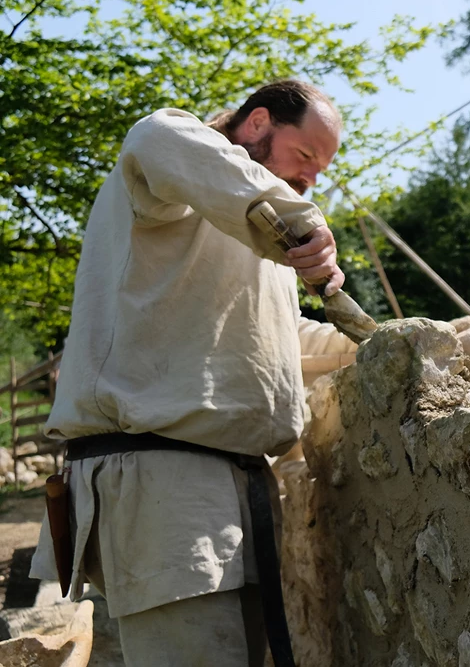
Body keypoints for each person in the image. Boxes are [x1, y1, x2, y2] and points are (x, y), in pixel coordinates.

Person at [30, 80, 359, 666]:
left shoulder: (258, 242)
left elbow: (281, 340)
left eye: (321, 166)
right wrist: (298, 220)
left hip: (237, 489)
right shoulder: (170, 162)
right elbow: (157, 136)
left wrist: (386, 344)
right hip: (165, 486)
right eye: (305, 154)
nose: (312, 177)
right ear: (257, 123)